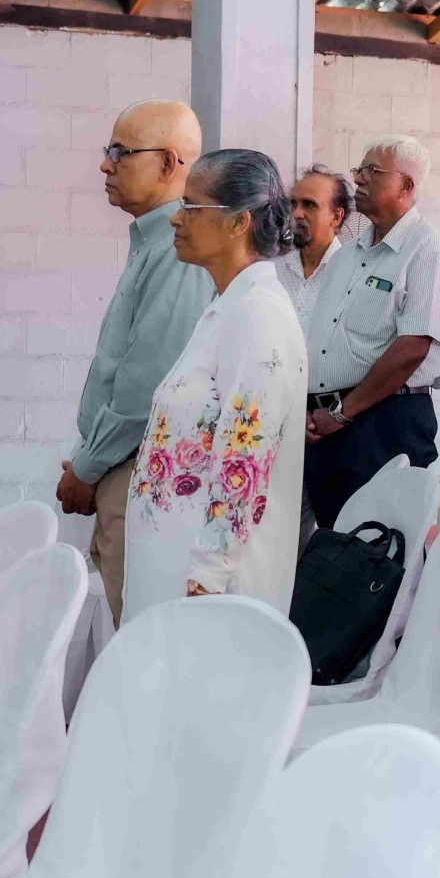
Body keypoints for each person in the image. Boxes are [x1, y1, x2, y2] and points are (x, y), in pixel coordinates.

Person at [125, 151, 308, 612]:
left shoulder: (256, 313)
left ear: (238, 222)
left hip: (207, 589)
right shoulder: (227, 306)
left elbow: (246, 456)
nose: (176, 219)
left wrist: (208, 577)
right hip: (172, 569)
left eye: (191, 206)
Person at [56, 101, 213, 623]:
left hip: (141, 469)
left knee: (142, 635)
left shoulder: (179, 249)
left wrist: (86, 467)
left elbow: (149, 385)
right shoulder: (155, 240)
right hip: (124, 464)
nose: (106, 164)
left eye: (121, 152)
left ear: (168, 163)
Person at [303, 135, 440, 531]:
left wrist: (341, 413)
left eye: (372, 172)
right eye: (359, 170)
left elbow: (412, 349)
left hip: (385, 423)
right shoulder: (348, 254)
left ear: (406, 185)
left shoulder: (428, 250)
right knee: (334, 548)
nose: (358, 179)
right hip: (328, 427)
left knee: (379, 552)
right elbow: (321, 337)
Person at [277, 165, 352, 332]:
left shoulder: (353, 276)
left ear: (336, 217)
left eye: (309, 204)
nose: (296, 214)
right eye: (293, 204)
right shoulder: (274, 268)